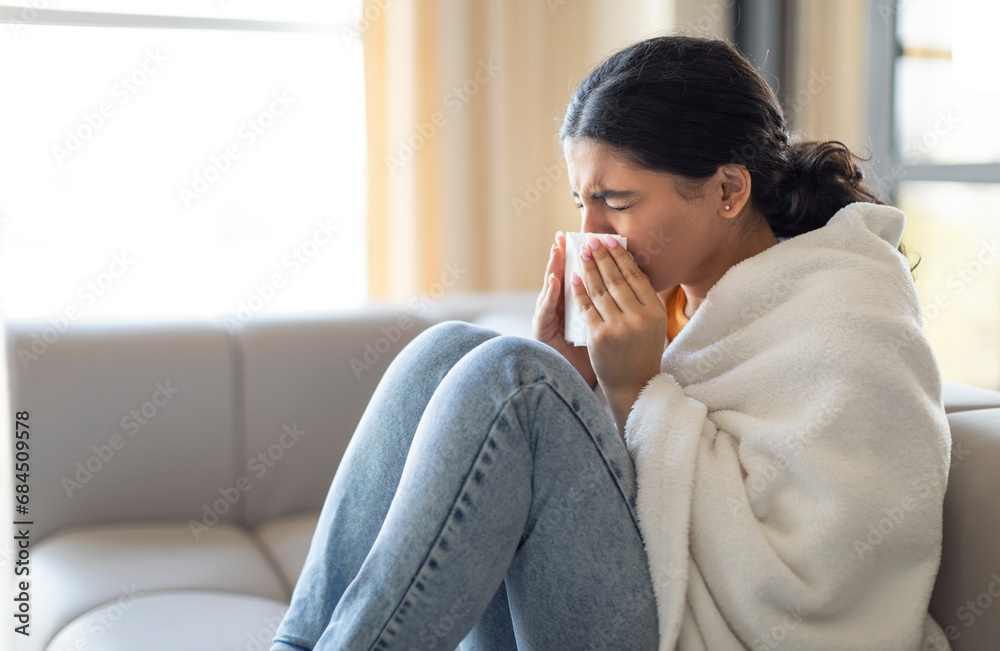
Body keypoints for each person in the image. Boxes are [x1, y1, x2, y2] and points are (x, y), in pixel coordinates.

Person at [270, 35, 952, 650]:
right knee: (449, 349)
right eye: (581, 202)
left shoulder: (847, 311)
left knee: (514, 377)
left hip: (716, 631)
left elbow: (809, 582)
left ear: (727, 189)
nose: (593, 230)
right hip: (638, 597)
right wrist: (582, 379)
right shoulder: (683, 294)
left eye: (617, 201)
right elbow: (632, 488)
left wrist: (632, 389)